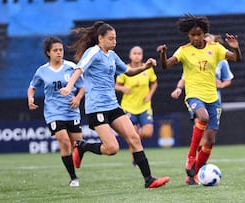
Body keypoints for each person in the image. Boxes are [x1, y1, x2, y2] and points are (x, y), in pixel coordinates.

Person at [60, 21, 169, 188]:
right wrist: (69, 87)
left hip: (113, 106)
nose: (114, 42)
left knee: (134, 138)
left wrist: (145, 67)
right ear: (100, 38)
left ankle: (149, 180)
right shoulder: (93, 52)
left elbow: (129, 72)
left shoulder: (112, 56)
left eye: (115, 38)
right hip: (97, 108)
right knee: (112, 149)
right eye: (111, 39)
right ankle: (83, 147)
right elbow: (79, 70)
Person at [157, 15, 242, 185]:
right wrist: (163, 54)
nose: (196, 38)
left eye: (199, 34)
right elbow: (166, 65)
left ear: (204, 34)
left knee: (210, 140)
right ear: (188, 36)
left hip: (213, 98)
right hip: (194, 95)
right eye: (192, 35)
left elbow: (236, 58)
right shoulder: (184, 50)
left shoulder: (215, 48)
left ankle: (194, 174)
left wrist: (236, 48)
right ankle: (190, 157)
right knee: (203, 117)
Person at [27, 37, 85, 187]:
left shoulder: (71, 67)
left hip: (71, 111)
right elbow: (32, 86)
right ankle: (73, 178)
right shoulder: (42, 71)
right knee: (64, 141)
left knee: (78, 145)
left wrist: (78, 98)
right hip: (53, 112)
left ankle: (75, 162)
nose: (59, 52)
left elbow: (82, 86)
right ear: (48, 53)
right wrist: (30, 98)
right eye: (55, 50)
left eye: (61, 49)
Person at [115, 46, 158, 166]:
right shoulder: (125, 69)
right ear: (130, 56)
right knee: (133, 135)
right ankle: (135, 159)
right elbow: (116, 86)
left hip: (144, 107)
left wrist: (150, 94)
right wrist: (123, 88)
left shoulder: (148, 69)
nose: (137, 55)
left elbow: (154, 83)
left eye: (139, 53)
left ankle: (134, 141)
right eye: (135, 53)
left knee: (147, 133)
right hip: (128, 108)